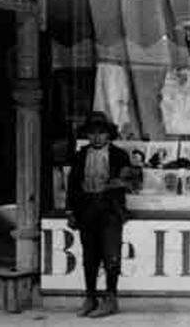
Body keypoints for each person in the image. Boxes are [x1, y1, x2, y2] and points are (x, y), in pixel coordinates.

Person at [66, 110, 136, 318]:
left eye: (101, 132)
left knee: (111, 255)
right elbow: (72, 186)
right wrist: (71, 211)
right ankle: (90, 297)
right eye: (92, 133)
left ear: (108, 134)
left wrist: (119, 182)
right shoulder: (80, 156)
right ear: (87, 135)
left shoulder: (119, 155)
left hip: (110, 211)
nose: (97, 137)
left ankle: (111, 298)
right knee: (89, 257)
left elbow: (133, 183)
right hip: (86, 210)